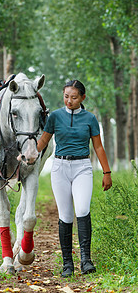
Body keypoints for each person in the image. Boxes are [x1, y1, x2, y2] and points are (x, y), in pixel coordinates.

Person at [36, 80, 112, 277]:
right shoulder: (55, 116)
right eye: (66, 97)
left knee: (83, 210)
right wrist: (29, 155)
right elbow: (44, 140)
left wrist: (107, 172)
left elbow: (98, 147)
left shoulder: (90, 118)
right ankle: (67, 264)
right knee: (66, 215)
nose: (69, 101)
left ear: (82, 98)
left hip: (82, 167)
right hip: (60, 167)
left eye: (74, 97)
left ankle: (86, 260)